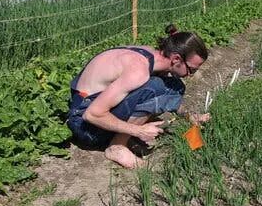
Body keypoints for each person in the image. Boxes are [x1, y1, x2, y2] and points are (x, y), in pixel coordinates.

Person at [66, 24, 210, 168]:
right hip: (85, 126)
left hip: (87, 106)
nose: (190, 75)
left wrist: (188, 115)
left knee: (174, 86)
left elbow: (168, 93)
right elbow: (92, 115)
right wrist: (139, 131)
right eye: (191, 70)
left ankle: (124, 137)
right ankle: (117, 147)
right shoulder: (138, 70)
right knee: (155, 87)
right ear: (176, 59)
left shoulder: (149, 54)